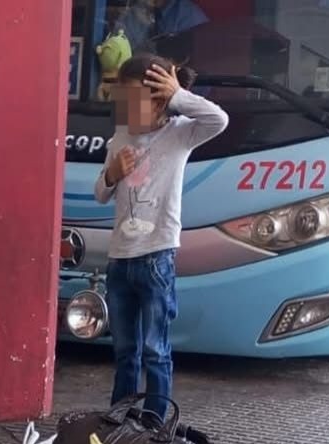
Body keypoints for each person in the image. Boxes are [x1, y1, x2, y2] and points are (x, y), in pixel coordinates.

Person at [93, 54, 227, 420]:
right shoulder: (120, 137)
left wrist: (179, 95)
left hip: (156, 258)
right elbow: (100, 194)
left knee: (155, 350)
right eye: (121, 99)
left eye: (134, 100)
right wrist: (112, 174)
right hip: (120, 260)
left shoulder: (180, 133)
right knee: (125, 350)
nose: (125, 109)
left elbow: (219, 119)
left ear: (159, 101)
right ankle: (119, 418)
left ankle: (154, 425)